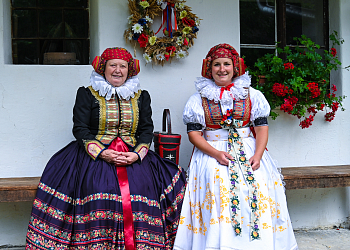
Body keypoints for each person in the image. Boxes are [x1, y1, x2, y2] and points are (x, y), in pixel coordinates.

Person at [25, 47, 186, 250]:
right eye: (113, 65)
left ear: (130, 70)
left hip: (131, 154)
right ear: (103, 68)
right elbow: (80, 129)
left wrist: (137, 154)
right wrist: (101, 152)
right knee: (98, 187)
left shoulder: (141, 96)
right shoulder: (86, 93)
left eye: (122, 66)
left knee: (145, 187)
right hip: (94, 155)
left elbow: (146, 130)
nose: (117, 70)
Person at [173, 44, 298, 250]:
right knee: (218, 184)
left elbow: (262, 128)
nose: (222, 69)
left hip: (248, 149)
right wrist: (216, 154)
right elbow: (194, 134)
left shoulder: (252, 95)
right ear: (209, 68)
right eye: (216, 65)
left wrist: (258, 155)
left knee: (257, 184)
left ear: (235, 67)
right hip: (211, 150)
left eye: (226, 64)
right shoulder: (198, 99)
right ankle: (218, 244)